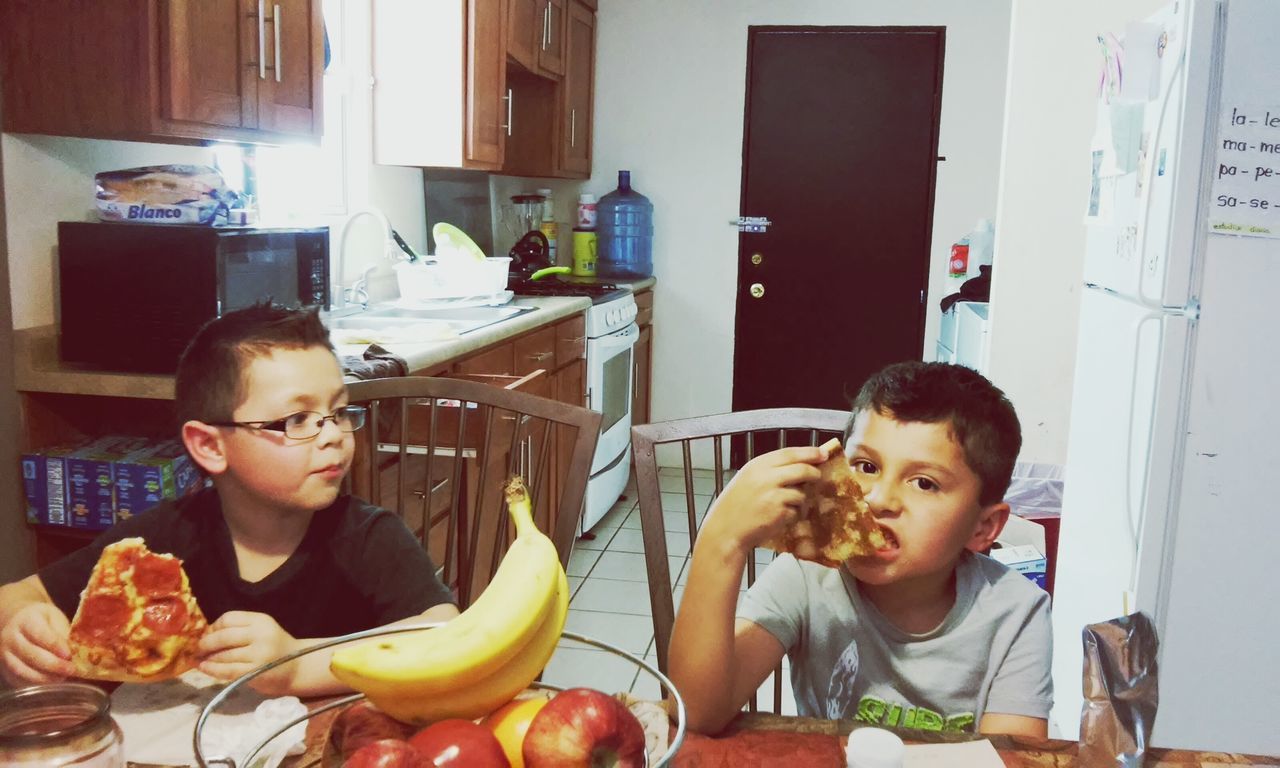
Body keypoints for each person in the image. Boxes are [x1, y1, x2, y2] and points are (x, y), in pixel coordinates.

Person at [0, 305, 459, 694]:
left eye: (338, 412)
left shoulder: (368, 538)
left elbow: (443, 634)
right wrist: (23, 623)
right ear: (210, 447)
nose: (334, 436)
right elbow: (16, 595)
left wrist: (298, 663)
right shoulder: (162, 541)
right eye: (298, 419)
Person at [669, 361, 1052, 737]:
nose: (879, 498)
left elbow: (1013, 757)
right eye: (866, 466)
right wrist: (721, 540)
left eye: (924, 483)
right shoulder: (807, 577)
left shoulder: (1016, 614)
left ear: (983, 526)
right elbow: (697, 713)